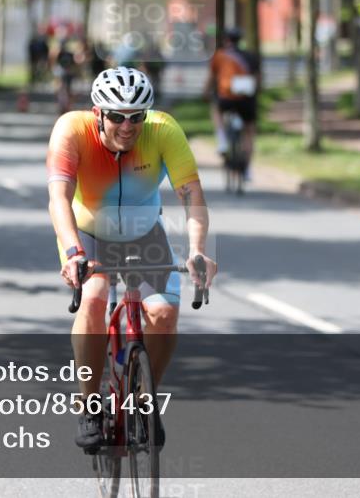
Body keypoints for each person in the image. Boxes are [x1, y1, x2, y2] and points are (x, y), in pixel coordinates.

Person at [46, 66, 218, 449]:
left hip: (144, 233)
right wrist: (73, 251)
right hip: (88, 234)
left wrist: (198, 251)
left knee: (165, 313)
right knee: (92, 299)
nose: (128, 126)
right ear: (98, 114)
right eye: (118, 117)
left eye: (137, 116)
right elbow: (59, 198)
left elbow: (191, 195)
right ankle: (90, 404)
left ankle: (143, 399)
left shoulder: (163, 130)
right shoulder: (72, 130)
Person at [205, 27, 260, 168]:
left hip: (226, 98)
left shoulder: (219, 55)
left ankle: (222, 141)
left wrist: (205, 93)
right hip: (246, 99)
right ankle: (248, 169)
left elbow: (211, 78)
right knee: (249, 131)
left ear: (226, 40)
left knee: (216, 110)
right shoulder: (250, 56)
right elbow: (257, 79)